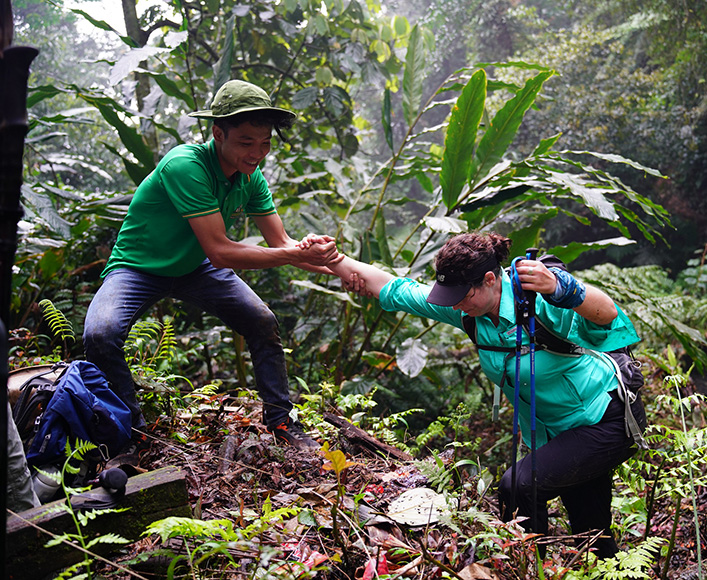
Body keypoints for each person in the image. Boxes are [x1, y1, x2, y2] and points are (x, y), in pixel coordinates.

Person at [329, 232, 646, 558]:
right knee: (591, 534)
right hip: (557, 433)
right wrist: (334, 260)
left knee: (518, 486)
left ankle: (525, 567)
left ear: (490, 280)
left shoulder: (538, 302)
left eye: (462, 296)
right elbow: (397, 290)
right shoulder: (469, 311)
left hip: (604, 418)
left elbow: (607, 315)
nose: (455, 304)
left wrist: (561, 288)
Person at [83, 80, 341, 453]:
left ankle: (282, 423)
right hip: (138, 268)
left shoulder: (250, 177)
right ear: (218, 133)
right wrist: (296, 255)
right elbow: (221, 251)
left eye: (265, 143)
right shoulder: (185, 165)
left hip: (195, 268)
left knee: (262, 322)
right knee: (100, 334)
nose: (257, 153)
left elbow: (282, 243)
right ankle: (133, 435)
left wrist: (338, 268)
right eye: (246, 142)